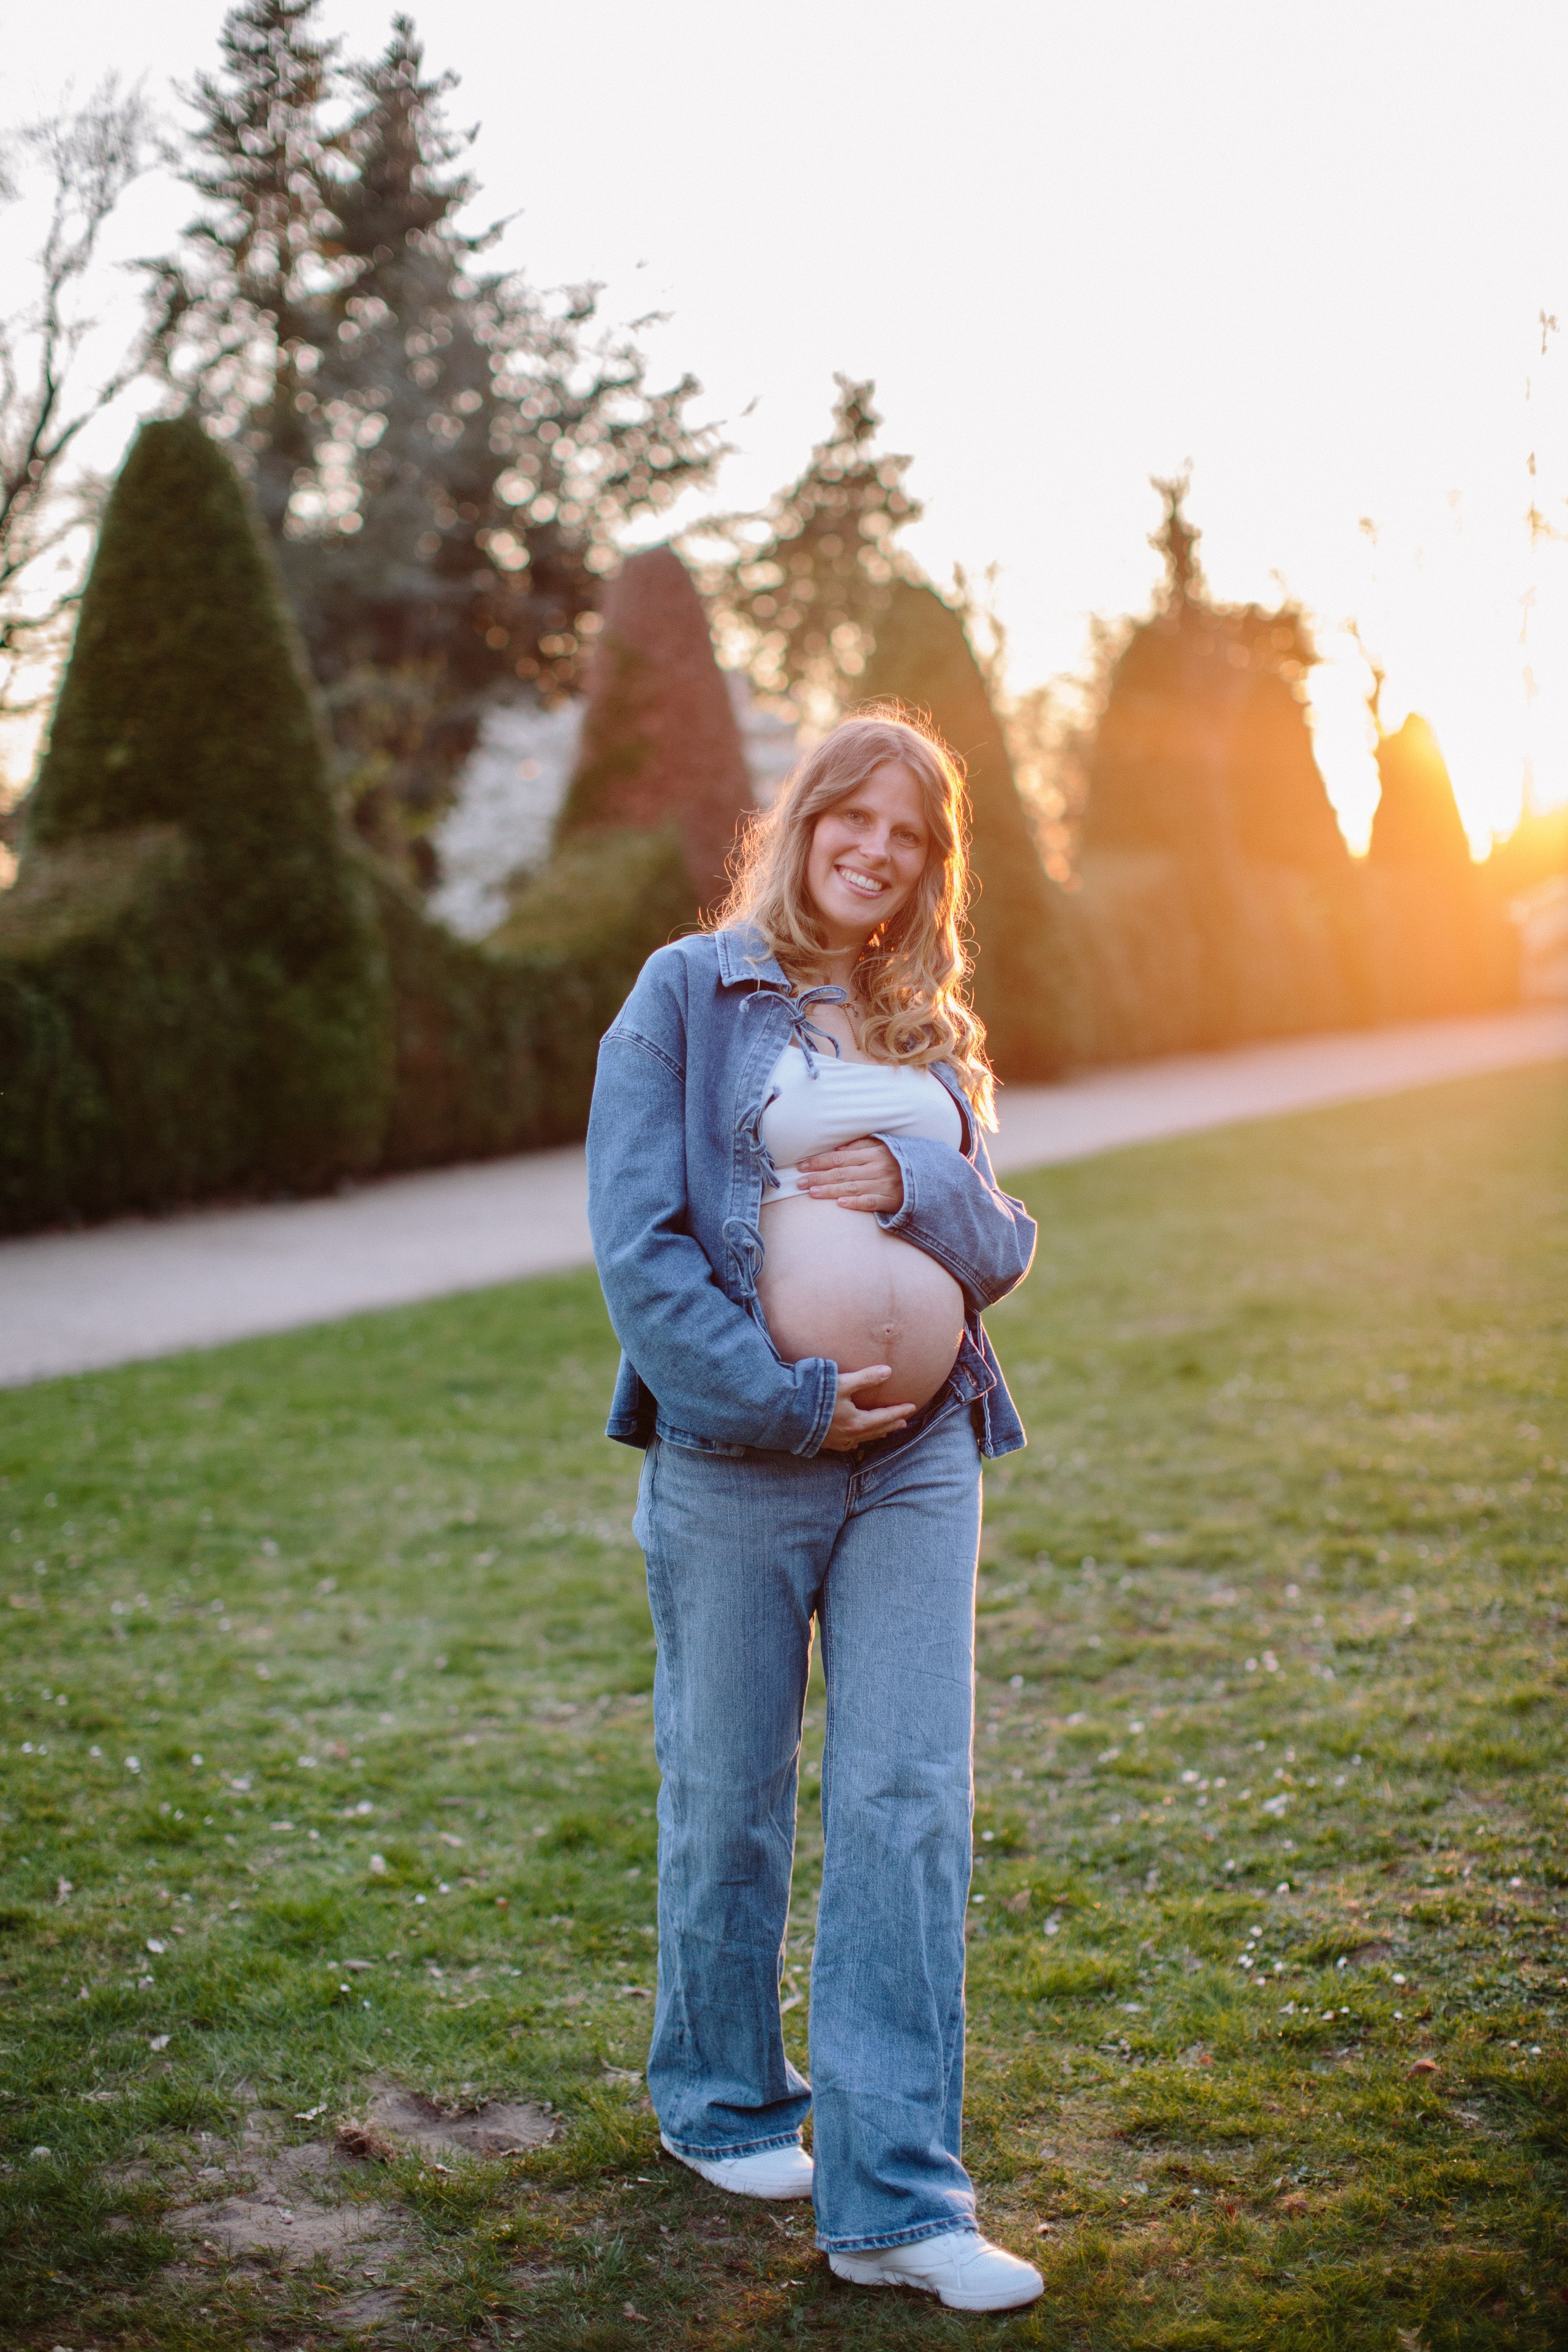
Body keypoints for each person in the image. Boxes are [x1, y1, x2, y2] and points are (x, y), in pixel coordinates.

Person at [586, 709, 1044, 2313]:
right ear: (807, 823)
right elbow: (640, 1255)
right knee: (729, 1795)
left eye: (910, 835)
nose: (877, 849)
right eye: (856, 817)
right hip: (738, 1456)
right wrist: (779, 1398)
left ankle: (897, 2201)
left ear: (930, 867)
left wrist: (915, 1190)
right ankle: (720, 2101)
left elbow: (999, 1247)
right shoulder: (687, 996)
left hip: (920, 1455)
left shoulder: (934, 1028)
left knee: (908, 1797)